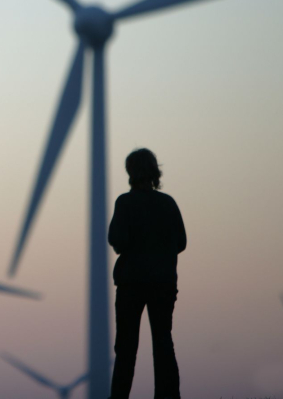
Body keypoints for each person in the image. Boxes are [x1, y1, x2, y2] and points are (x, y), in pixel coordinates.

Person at [108, 148, 186, 399]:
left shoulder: (125, 202)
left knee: (127, 347)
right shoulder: (168, 203)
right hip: (163, 283)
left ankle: (119, 397)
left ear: (130, 172)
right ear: (155, 172)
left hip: (132, 283)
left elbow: (116, 239)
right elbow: (182, 242)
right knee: (163, 342)